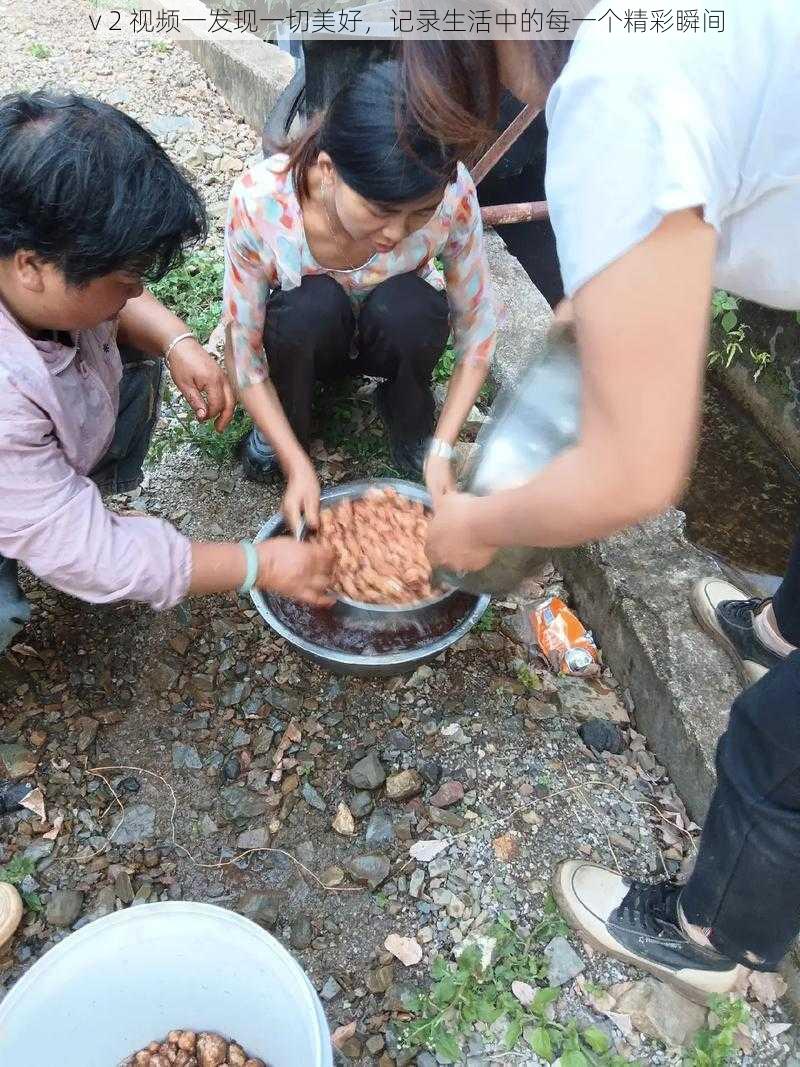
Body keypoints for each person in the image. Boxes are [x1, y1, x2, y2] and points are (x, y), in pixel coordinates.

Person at [401, 0, 800, 1000]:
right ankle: (778, 626)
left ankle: (714, 932)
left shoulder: (618, 79)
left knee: (776, 734)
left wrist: (477, 525)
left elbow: (635, 471)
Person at [0, 91, 334, 661]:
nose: (136, 293)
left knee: (122, 349)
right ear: (32, 266)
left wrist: (175, 340)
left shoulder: (30, 269)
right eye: (125, 278)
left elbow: (127, 307)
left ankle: (50, 500)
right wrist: (260, 563)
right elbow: (100, 557)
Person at [223, 60, 497, 535]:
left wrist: (444, 447)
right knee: (306, 308)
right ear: (328, 172)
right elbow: (243, 355)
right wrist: (297, 465)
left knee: (412, 308)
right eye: (380, 211)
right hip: (311, 338)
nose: (395, 233)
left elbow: (477, 333)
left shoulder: (452, 196)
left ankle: (408, 417)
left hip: (384, 332)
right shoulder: (260, 202)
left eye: (419, 215)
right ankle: (287, 428)